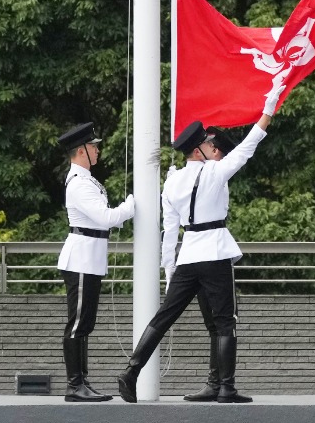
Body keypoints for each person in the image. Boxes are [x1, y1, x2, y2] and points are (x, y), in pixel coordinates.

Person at [116, 69, 288, 403]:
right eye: (208, 146)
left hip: (187, 257)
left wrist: (169, 269)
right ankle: (226, 387)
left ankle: (131, 371)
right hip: (214, 252)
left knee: (164, 317)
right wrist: (268, 108)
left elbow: (169, 231)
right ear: (198, 151)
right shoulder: (215, 172)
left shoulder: (172, 182)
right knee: (225, 321)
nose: (214, 148)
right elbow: (249, 145)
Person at [55, 123, 135, 402]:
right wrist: (131, 205)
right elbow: (106, 218)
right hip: (82, 259)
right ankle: (75, 385)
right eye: (93, 146)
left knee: (84, 324)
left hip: (89, 258)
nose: (97, 150)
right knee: (78, 324)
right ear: (81, 151)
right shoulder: (79, 183)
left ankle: (81, 382)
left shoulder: (85, 180)